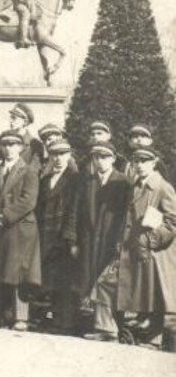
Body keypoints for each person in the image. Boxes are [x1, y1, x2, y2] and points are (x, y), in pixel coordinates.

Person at [88, 147, 176, 346]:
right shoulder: (135, 185)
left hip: (152, 251)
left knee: (153, 294)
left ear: (154, 163)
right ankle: (107, 330)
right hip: (129, 248)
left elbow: (172, 222)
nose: (140, 165)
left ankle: (154, 339)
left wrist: (151, 240)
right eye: (136, 161)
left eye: (145, 161)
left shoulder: (162, 187)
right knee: (105, 283)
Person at [0, 129, 41, 331]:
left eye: (13, 145)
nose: (8, 149)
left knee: (19, 273)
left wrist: (4, 216)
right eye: (5, 145)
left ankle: (20, 317)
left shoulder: (29, 171)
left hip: (19, 228)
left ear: (21, 148)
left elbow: (28, 201)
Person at [71, 142, 129, 338]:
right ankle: (92, 325)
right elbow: (75, 212)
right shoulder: (87, 182)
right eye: (96, 157)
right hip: (88, 240)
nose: (100, 161)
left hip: (110, 241)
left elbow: (125, 215)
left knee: (107, 282)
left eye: (104, 157)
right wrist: (73, 241)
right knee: (88, 280)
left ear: (113, 159)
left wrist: (120, 241)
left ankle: (111, 327)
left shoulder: (123, 182)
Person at [36, 139, 80, 333]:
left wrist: (71, 238)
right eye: (54, 155)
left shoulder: (76, 179)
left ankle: (67, 322)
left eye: (63, 154)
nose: (59, 158)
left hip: (65, 236)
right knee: (51, 279)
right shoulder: (45, 180)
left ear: (69, 155)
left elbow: (76, 210)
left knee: (67, 280)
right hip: (47, 234)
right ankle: (55, 320)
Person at [8, 103, 42, 170]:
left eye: (14, 118)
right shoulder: (6, 142)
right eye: (10, 117)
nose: (10, 121)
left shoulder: (35, 145)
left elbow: (35, 171)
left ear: (25, 122)